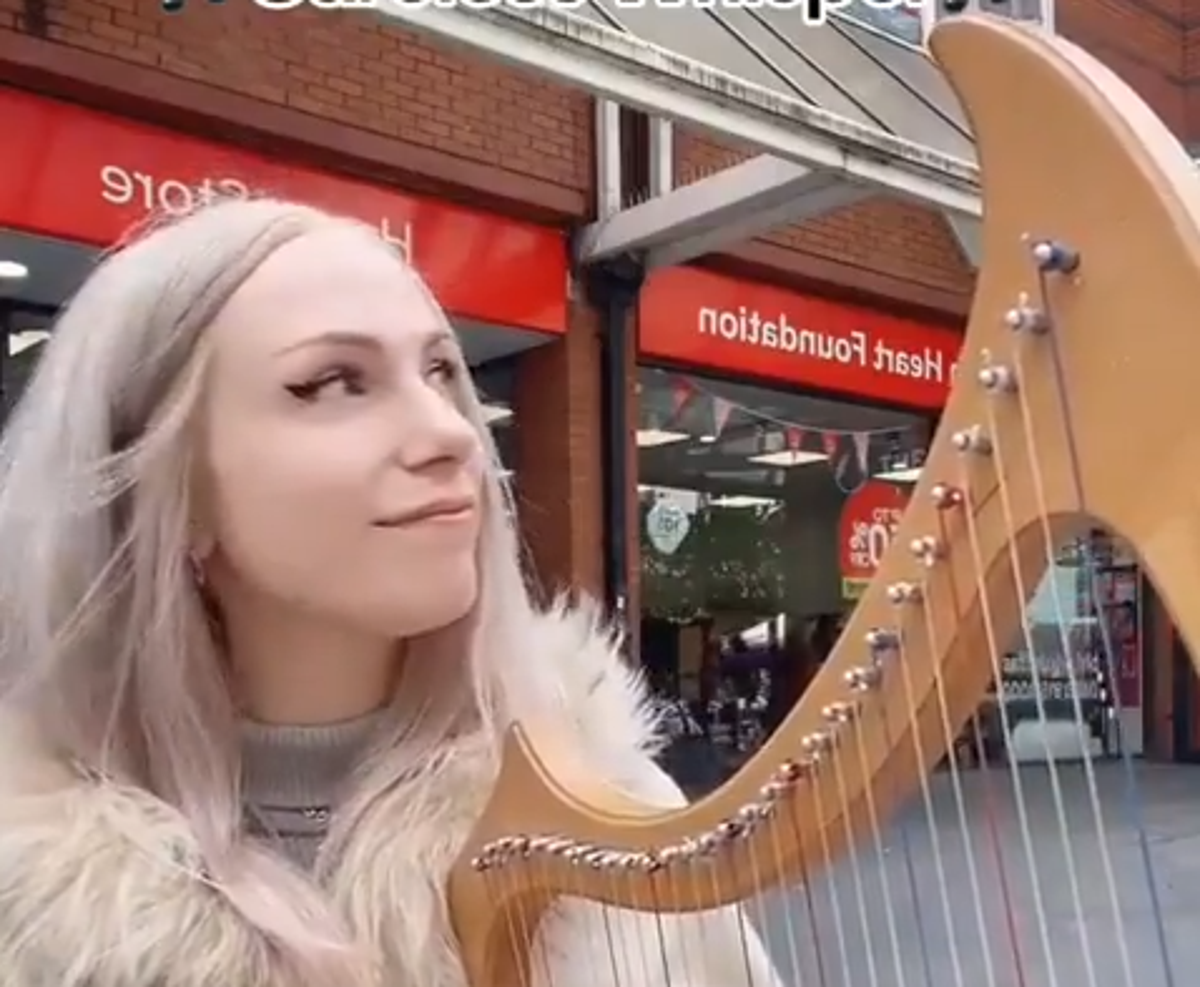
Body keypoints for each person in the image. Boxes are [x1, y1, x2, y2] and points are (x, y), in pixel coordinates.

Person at [0, 198, 780, 987]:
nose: (452, 433)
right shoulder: (34, 895)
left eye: (441, 370)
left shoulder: (603, 810)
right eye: (334, 382)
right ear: (172, 487)